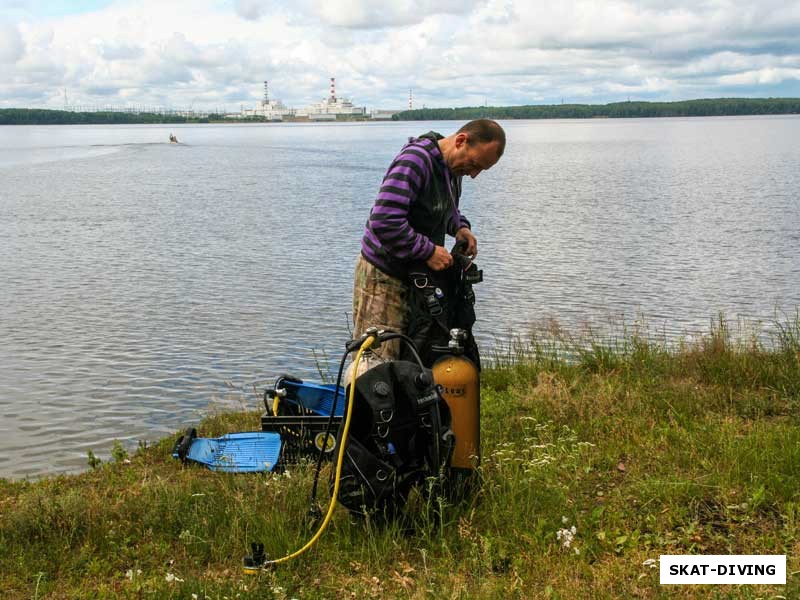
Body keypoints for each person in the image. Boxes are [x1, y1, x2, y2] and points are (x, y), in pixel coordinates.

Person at [352, 119, 505, 361]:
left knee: (410, 364)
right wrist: (427, 251)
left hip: (415, 279)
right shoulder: (415, 161)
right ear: (461, 141)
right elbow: (384, 220)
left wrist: (458, 227)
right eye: (474, 164)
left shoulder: (452, 168)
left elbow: (439, 207)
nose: (474, 174)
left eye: (481, 170)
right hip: (384, 277)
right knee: (377, 365)